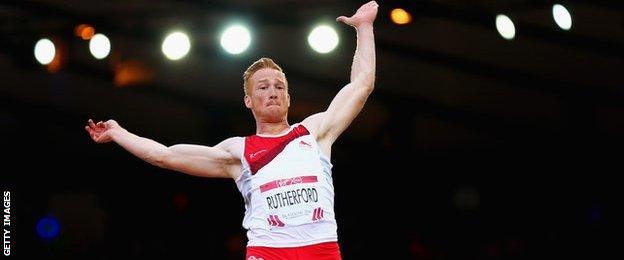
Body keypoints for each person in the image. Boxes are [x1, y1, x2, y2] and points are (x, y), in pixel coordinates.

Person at [85, 1, 378, 259]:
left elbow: (361, 85)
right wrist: (118, 133)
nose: (273, 92)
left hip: (321, 249)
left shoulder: (315, 133)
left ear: (289, 98)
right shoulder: (238, 151)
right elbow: (165, 155)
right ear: (248, 100)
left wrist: (364, 27)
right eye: (263, 87)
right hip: (268, 252)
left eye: (279, 87)